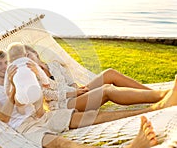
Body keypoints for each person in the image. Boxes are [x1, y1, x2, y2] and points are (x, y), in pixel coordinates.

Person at [0, 49, 177, 148]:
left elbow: (39, 107)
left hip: (44, 117)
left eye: (6, 63)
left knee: (95, 117)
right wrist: (14, 91)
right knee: (61, 145)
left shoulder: (20, 80)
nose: (5, 67)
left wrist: (33, 90)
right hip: (27, 128)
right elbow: (4, 116)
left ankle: (157, 107)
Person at [24, 45, 169, 112]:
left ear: (35, 54)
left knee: (110, 73)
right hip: (63, 105)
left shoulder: (54, 65)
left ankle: (154, 94)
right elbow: (48, 96)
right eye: (24, 59)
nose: (28, 59)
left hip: (76, 94)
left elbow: (70, 79)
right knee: (106, 90)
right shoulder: (33, 76)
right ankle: (161, 99)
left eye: (28, 55)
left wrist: (75, 87)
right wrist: (72, 93)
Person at [4, 42, 49, 114]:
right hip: (35, 90)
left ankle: (22, 112)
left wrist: (7, 93)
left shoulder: (10, 67)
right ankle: (39, 114)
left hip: (22, 95)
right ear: (25, 55)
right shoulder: (29, 61)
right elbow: (41, 73)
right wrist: (45, 82)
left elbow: (7, 83)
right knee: (39, 99)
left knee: (18, 103)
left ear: (9, 59)